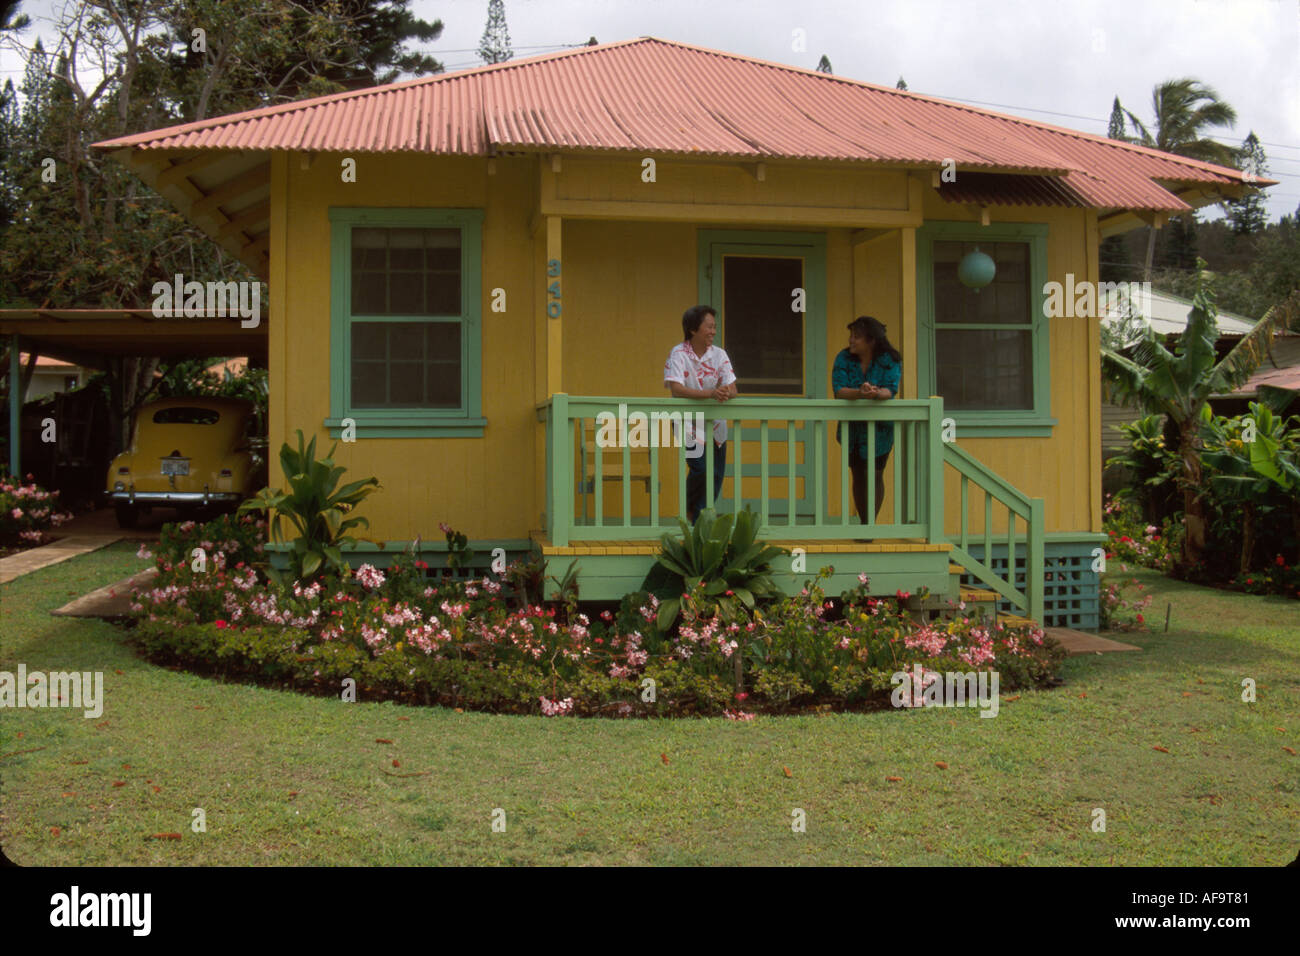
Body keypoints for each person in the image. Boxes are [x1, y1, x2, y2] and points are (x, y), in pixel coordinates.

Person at [663, 305, 737, 523]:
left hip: (715, 426)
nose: (713, 331)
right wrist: (711, 393)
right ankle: (689, 510)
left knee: (715, 476)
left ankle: (699, 523)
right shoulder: (678, 354)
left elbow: (733, 388)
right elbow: (676, 388)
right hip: (687, 424)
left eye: (714, 327)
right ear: (693, 329)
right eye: (709, 326)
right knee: (701, 468)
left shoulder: (719, 354)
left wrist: (724, 392)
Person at [832, 316, 902, 536]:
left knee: (875, 473)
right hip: (853, 429)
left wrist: (877, 393)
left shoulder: (890, 359)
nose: (851, 340)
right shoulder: (843, 358)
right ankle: (864, 524)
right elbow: (839, 390)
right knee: (858, 474)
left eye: (857, 336)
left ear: (871, 340)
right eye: (851, 335)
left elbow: (890, 389)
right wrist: (859, 393)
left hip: (880, 430)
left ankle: (869, 525)